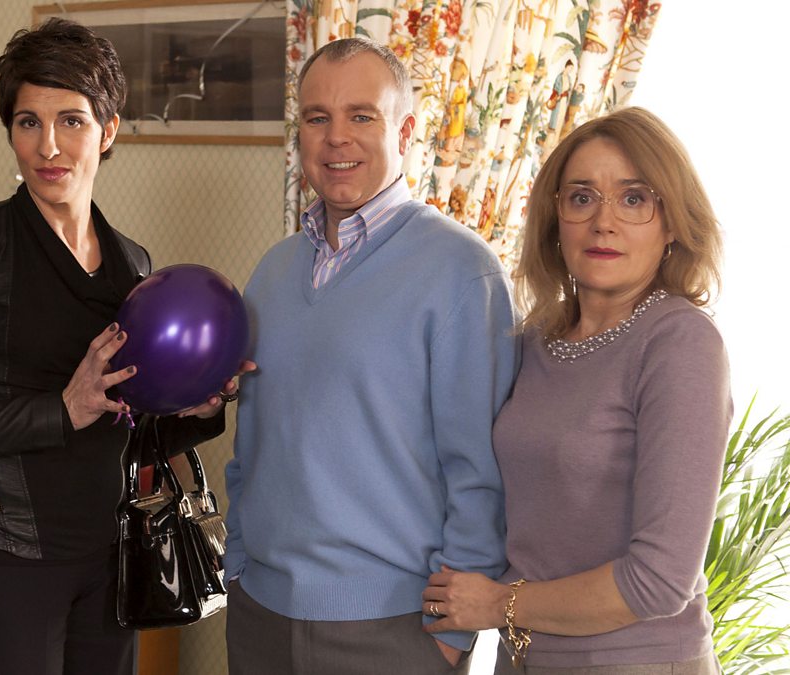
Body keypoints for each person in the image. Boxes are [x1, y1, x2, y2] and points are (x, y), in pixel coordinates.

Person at [0, 19, 242, 675]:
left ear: (108, 131)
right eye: (29, 122)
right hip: (0, 556)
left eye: (71, 121)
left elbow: (127, 431)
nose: (48, 145)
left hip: (113, 554)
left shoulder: (133, 265)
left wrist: (198, 408)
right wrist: (59, 409)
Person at [223, 37, 518, 674]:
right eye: (317, 117)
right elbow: (254, 443)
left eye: (362, 115)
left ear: (405, 131)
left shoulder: (463, 273)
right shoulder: (272, 271)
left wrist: (450, 635)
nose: (337, 138)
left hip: (396, 630)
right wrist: (239, 562)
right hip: (259, 612)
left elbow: (482, 473)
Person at [421, 107, 730, 674]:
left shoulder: (680, 343)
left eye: (634, 198)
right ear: (555, 219)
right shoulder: (535, 338)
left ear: (672, 223)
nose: (603, 222)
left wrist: (497, 603)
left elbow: (661, 580)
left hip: (636, 664)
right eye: (582, 198)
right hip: (524, 658)